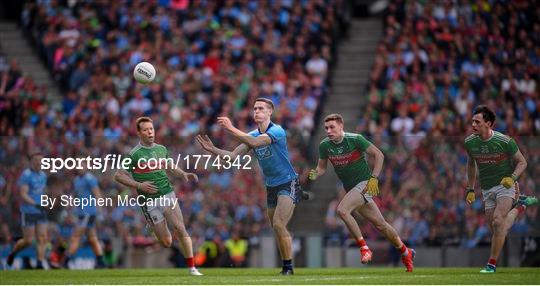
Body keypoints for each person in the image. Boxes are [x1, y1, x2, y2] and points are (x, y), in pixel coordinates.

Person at [196, 97, 303, 275]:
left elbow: (254, 143)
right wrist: (213, 149)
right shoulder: (252, 134)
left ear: (270, 112)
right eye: (254, 109)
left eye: (261, 108)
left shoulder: (277, 131)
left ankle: (288, 267)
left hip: (288, 182)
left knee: (278, 224)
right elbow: (231, 157)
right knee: (276, 227)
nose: (256, 112)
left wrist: (230, 127)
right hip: (271, 186)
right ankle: (287, 265)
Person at [308, 114, 415, 272]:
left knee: (342, 210)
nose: (329, 131)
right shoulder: (324, 146)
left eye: (332, 127)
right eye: (326, 128)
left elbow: (379, 155)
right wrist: (316, 173)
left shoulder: (355, 139)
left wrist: (374, 178)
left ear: (341, 126)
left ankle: (364, 248)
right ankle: (406, 252)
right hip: (351, 189)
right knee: (381, 225)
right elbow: (322, 167)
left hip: (365, 184)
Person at [114, 117, 203, 276]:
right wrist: (139, 185)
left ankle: (192, 267)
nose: (150, 132)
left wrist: (183, 174)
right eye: (146, 129)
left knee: (180, 227)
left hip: (167, 194)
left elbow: (170, 166)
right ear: (139, 133)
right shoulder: (134, 154)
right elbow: (119, 175)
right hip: (149, 201)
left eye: (152, 129)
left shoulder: (161, 149)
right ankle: (153, 226)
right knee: (167, 242)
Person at [464, 105, 538, 273]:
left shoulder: (505, 141)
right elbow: (470, 164)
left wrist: (511, 178)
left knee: (498, 221)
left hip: (505, 186)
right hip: (486, 189)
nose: (473, 125)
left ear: (488, 123)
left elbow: (522, 162)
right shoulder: (470, 142)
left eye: (477, 121)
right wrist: (470, 189)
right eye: (472, 121)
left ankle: (491, 265)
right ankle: (521, 206)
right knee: (498, 228)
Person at [7, 153, 49, 269]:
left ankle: (39, 263)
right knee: (28, 240)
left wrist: (44, 202)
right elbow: (23, 194)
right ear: (31, 162)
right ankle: (13, 253)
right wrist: (36, 204)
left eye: (41, 160)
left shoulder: (43, 175)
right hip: (29, 211)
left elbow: (41, 192)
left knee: (42, 237)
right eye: (36, 160)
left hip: (41, 210)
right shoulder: (26, 175)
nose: (39, 162)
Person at [64, 167, 105, 269]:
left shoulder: (90, 178)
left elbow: (97, 194)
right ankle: (101, 261)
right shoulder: (77, 180)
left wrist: (99, 211)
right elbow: (76, 195)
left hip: (89, 212)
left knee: (76, 236)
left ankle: (66, 260)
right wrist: (70, 205)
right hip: (81, 212)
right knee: (92, 238)